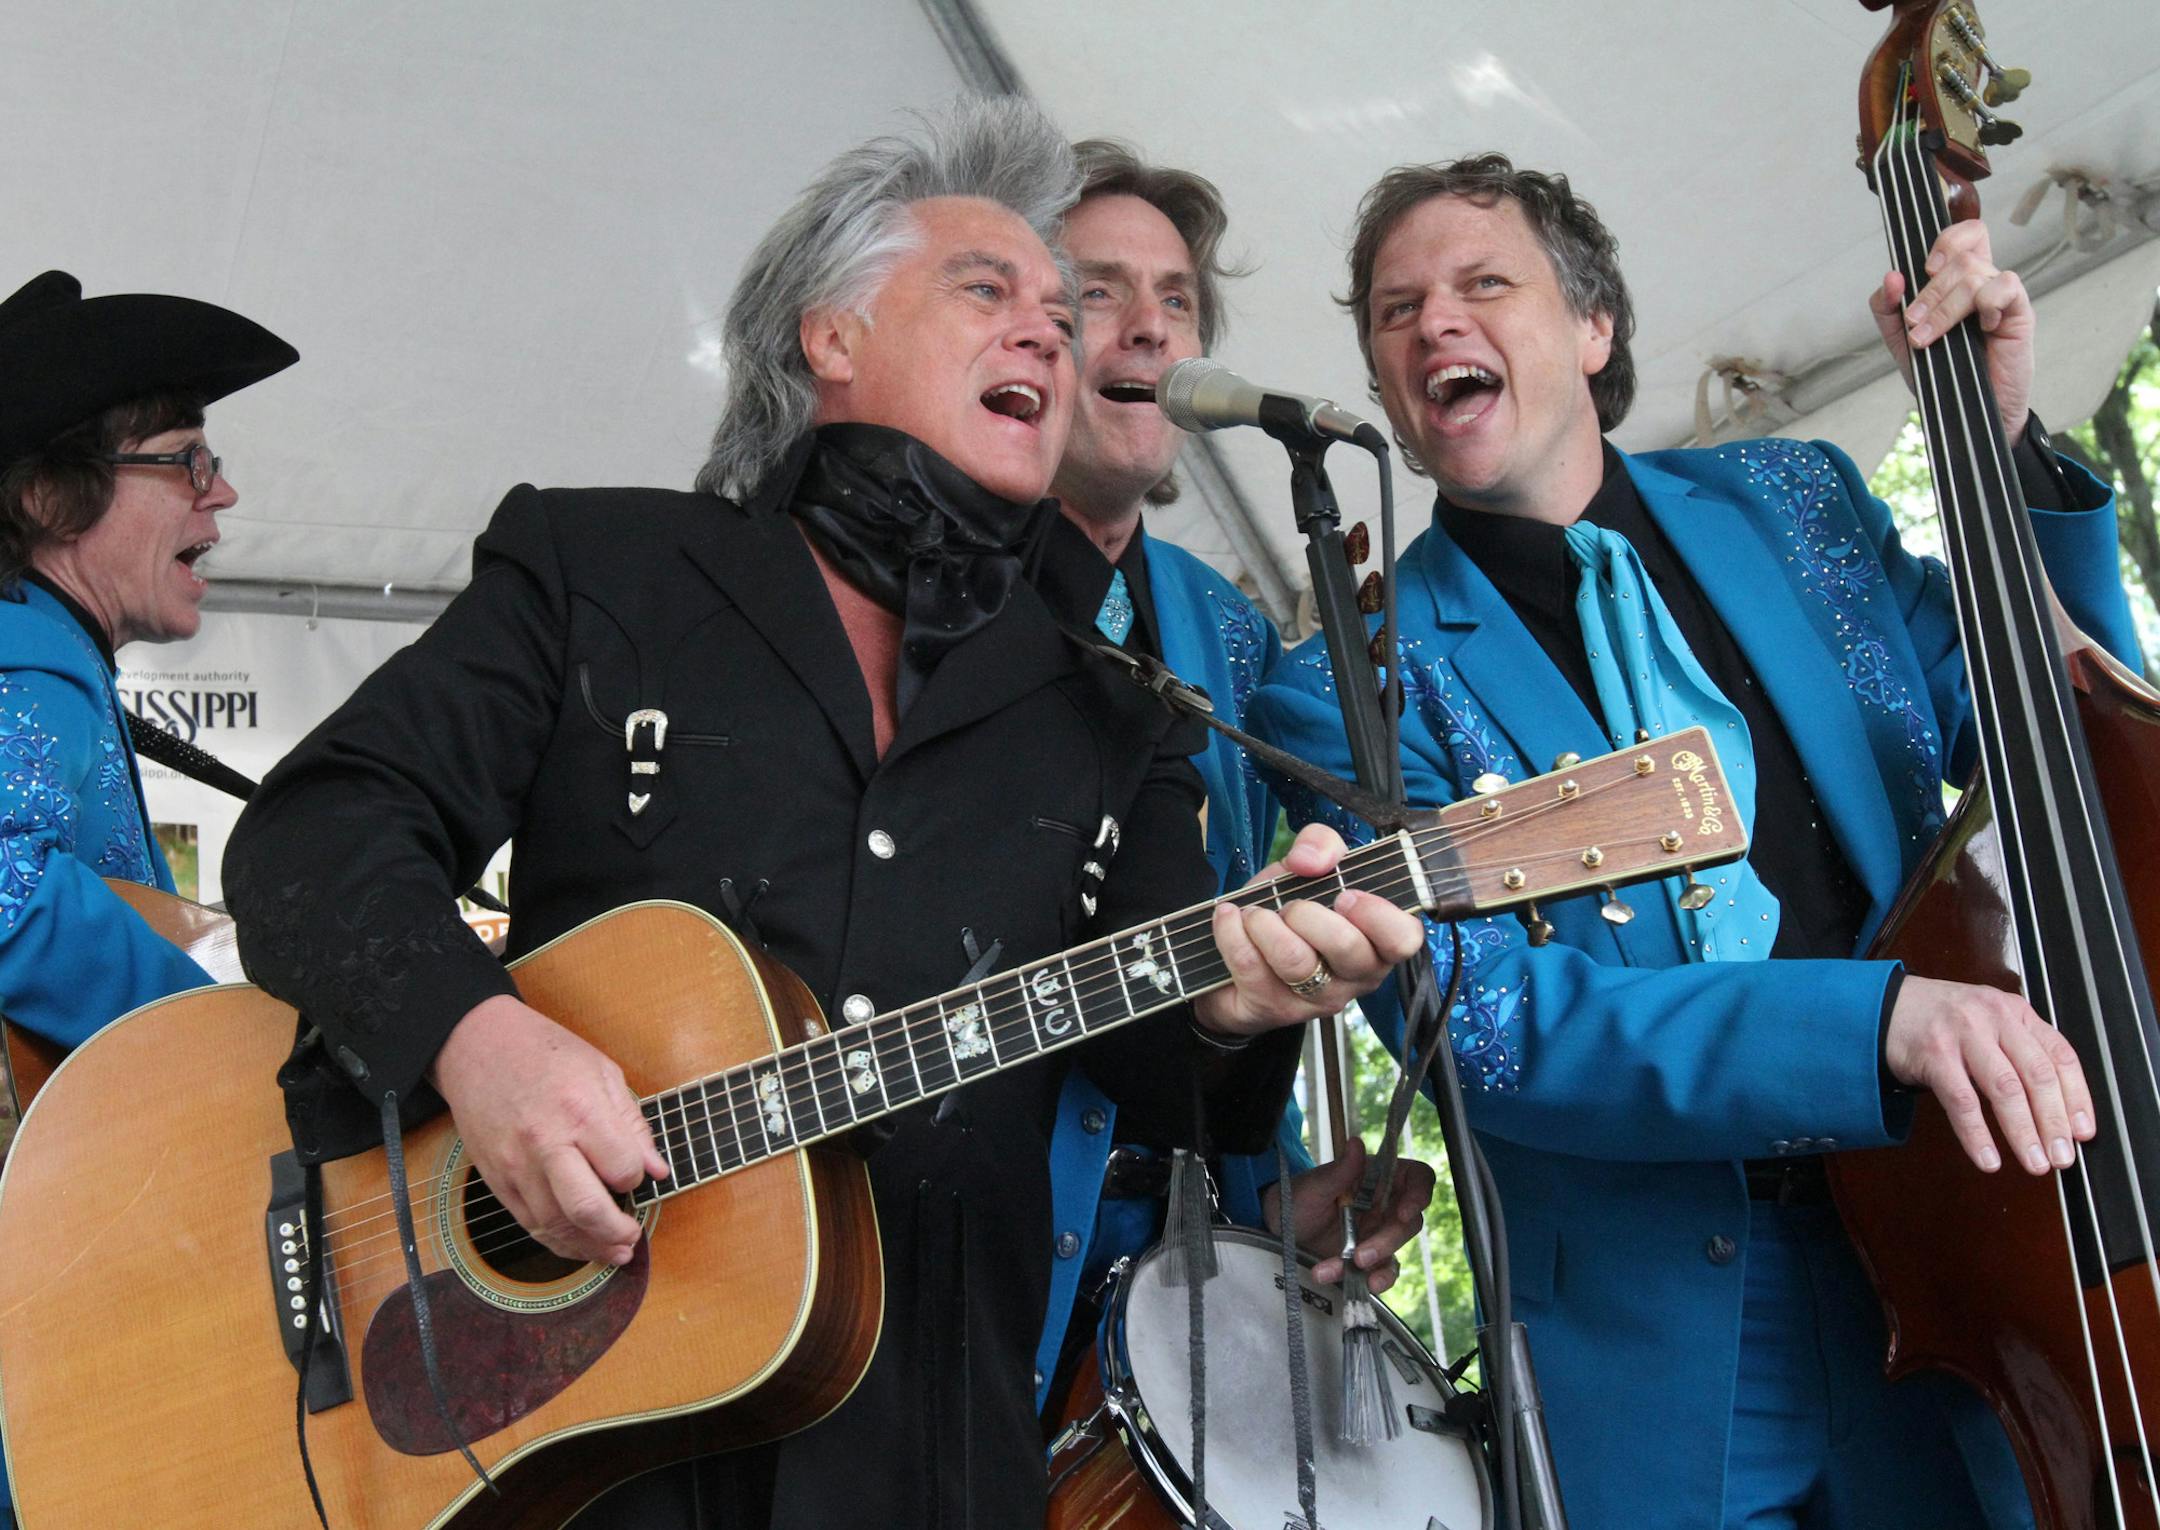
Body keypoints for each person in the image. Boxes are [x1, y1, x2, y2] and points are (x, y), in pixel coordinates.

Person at [223, 99, 1421, 1530]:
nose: (1054, 331)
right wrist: (480, 1045)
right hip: (565, 1444)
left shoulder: (1120, 703)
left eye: (1061, 309)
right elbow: (318, 832)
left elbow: (1165, 1064)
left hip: (924, 1445)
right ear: (829, 336)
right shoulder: (603, 567)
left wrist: (1245, 1004)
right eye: (988, 290)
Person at [1247, 153, 2141, 1528]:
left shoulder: (1795, 503)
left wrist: (2003, 447)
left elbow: (2043, 731)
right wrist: (1874, 1023)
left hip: (1961, 1247)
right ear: (1384, 392)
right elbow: (1493, 1032)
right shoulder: (1347, 688)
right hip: (1667, 1351)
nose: (1435, 321)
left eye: (1485, 282)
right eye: (1395, 308)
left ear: (1595, 326)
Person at [1032, 139, 1434, 1417]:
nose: (1151, 327)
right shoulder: (932, 598)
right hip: (982, 1251)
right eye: (1099, 292)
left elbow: (1225, 933)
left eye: (1178, 300)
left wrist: (1281, 1196)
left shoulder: (1229, 625)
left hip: (1191, 1283)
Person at [0, 268, 296, 1526]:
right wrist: (231, 1042)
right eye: (185, 460)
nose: (220, 494)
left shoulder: (50, 659)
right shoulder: (25, 659)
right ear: (48, 492)